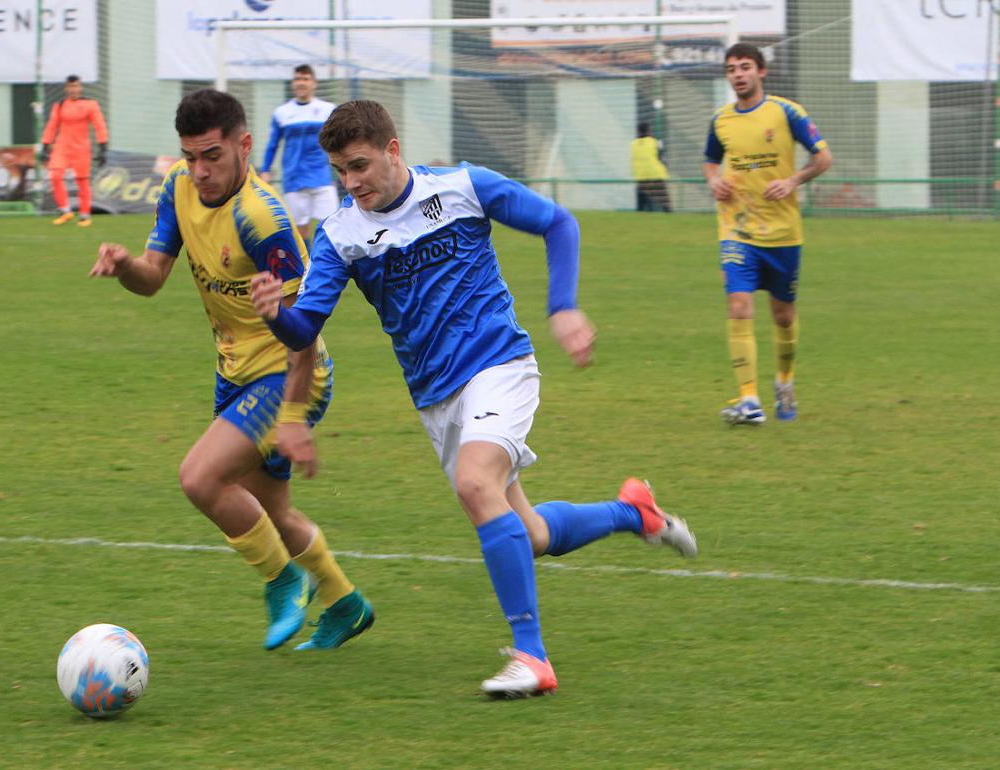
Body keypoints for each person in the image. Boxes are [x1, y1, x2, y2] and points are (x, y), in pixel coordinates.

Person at [249, 100, 697, 698]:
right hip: (436, 398)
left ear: (392, 150)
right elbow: (306, 329)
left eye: (359, 166)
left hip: (499, 366)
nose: (351, 183)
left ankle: (532, 657)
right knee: (530, 534)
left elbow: (559, 223)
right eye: (340, 172)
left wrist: (563, 306)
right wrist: (277, 314)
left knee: (474, 482)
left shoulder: (462, 187)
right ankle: (634, 512)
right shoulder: (341, 234)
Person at [88, 89, 373, 651]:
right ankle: (344, 603)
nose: (200, 171)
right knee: (270, 510)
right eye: (190, 157)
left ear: (244, 145)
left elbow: (305, 335)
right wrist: (125, 267)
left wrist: (292, 418)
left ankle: (283, 580)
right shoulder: (178, 188)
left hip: (290, 374)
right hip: (236, 372)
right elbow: (153, 276)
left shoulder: (263, 220)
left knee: (199, 477)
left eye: (212, 156)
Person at [703, 43, 832, 425]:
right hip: (737, 229)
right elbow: (711, 160)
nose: (738, 74)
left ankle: (785, 382)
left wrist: (794, 180)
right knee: (738, 305)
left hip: (783, 233)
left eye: (745, 67)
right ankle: (749, 400)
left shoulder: (787, 112)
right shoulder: (720, 120)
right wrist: (714, 181)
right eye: (731, 69)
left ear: (761, 72)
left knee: (783, 316)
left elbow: (823, 157)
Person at [260, 64, 338, 244]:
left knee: (332, 226)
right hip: (294, 178)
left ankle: (328, 265)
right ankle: (309, 268)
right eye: (297, 79)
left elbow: (339, 140)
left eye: (305, 79)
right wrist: (265, 169)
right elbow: (273, 144)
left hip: (322, 177)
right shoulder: (282, 113)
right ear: (293, 84)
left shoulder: (328, 109)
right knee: (301, 230)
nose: (301, 83)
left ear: (314, 83)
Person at [41, 74, 109, 227]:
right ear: (66, 88)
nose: (73, 89)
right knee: (55, 175)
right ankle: (66, 210)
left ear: (80, 87)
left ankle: (85, 215)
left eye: (76, 86)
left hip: (81, 148)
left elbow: (99, 125)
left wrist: (103, 147)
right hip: (61, 146)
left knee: (82, 181)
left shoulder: (90, 104)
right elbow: (52, 126)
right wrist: (45, 145)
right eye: (71, 87)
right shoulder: (60, 105)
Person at [631, 121, 672, 212]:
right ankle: (669, 215)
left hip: (641, 177)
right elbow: (662, 158)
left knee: (641, 205)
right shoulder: (655, 142)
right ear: (649, 131)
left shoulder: (633, 144)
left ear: (638, 131)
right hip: (656, 176)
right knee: (665, 203)